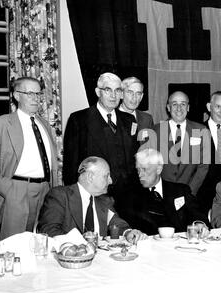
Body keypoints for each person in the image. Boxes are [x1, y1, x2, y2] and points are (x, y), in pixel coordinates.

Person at [63, 72, 138, 220]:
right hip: (95, 195)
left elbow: (134, 158)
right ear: (98, 92)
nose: (113, 95)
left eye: (117, 91)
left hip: (127, 198)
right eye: (107, 90)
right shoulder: (79, 119)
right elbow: (71, 165)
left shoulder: (130, 120)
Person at [0, 77, 58, 240]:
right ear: (17, 95)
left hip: (45, 190)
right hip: (16, 190)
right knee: (14, 246)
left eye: (38, 94)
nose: (36, 98)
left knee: (39, 244)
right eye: (30, 93)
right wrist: (8, 189)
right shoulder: (2, 123)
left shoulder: (44, 124)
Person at [38, 157, 146, 243]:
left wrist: (129, 232)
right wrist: (81, 242)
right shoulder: (60, 196)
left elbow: (116, 223)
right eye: (106, 176)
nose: (111, 181)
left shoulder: (104, 200)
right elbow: (49, 230)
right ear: (90, 177)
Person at [125, 148, 210, 236]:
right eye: (138, 170)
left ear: (159, 169)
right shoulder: (131, 195)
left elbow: (196, 212)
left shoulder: (180, 190)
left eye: (144, 169)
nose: (140, 174)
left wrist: (199, 223)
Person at [143, 91, 209, 196]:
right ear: (168, 107)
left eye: (183, 104)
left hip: (189, 193)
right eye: (174, 104)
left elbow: (203, 166)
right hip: (162, 194)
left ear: (188, 107)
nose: (179, 108)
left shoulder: (201, 130)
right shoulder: (155, 131)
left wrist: (189, 192)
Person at [120, 77, 154, 143]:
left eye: (138, 93)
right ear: (121, 94)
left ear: (141, 97)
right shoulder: (110, 117)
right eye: (130, 92)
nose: (134, 97)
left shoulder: (147, 119)